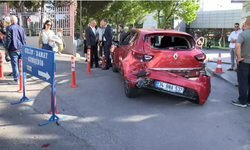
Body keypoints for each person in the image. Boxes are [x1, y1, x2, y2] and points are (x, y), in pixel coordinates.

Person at [231, 18, 250, 108]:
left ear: (245, 24)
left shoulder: (243, 34)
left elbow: (237, 45)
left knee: (243, 82)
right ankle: (249, 100)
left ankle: (242, 101)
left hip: (244, 61)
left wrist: (239, 57)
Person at [5, 15, 26, 85]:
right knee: (22, 64)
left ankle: (16, 79)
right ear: (16, 21)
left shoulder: (9, 28)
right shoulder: (21, 28)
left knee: (15, 65)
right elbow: (24, 39)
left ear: (11, 21)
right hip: (21, 48)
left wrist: (6, 49)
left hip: (13, 49)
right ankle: (23, 78)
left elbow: (8, 39)